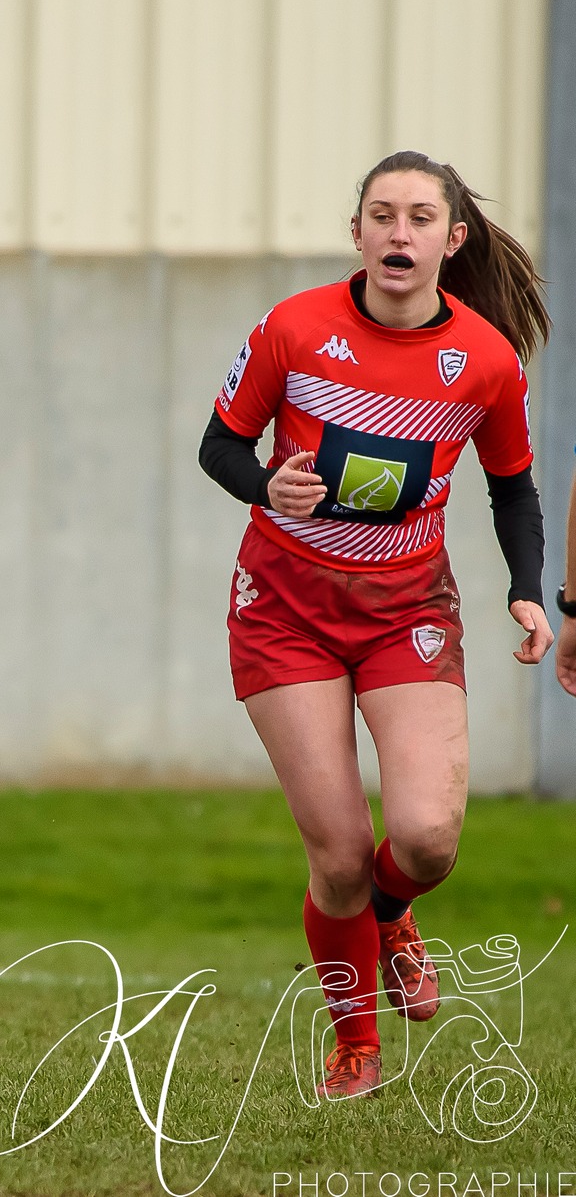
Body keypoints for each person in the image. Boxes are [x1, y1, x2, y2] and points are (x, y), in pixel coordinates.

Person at [198, 151, 550, 1100]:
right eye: (382, 215)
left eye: (420, 218)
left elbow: (513, 489)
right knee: (341, 853)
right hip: (285, 610)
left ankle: (394, 913)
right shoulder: (295, 328)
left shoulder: (483, 358)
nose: (400, 233)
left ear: (452, 237)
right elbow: (219, 444)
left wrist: (527, 585)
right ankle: (355, 1045)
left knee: (428, 837)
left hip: (407, 612)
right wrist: (264, 483)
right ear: (356, 232)